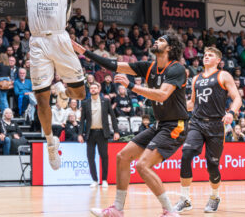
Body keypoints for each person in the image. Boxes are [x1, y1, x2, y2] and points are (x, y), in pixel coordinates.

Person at [73, 34, 187, 217]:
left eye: (161, 40)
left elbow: (162, 95)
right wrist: (84, 51)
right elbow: (112, 65)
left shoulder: (177, 69)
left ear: (169, 48)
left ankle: (170, 211)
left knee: (143, 166)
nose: (156, 41)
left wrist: (131, 85)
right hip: (160, 125)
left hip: (176, 125)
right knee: (122, 157)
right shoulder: (149, 66)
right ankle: (117, 209)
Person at [13, 0, 86, 169]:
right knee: (41, 98)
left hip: (60, 38)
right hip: (38, 42)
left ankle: (62, 89)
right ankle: (50, 142)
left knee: (79, 94)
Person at [174, 47, 242, 214]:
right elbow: (192, 104)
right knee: (186, 154)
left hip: (216, 125)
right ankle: (185, 199)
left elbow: (237, 98)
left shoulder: (223, 75)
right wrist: (176, 106)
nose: (206, 57)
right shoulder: (196, 78)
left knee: (212, 165)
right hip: (196, 123)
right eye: (205, 55)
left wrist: (231, 113)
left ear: (218, 60)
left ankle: (214, 196)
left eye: (210, 55)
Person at [78, 82, 120, 188]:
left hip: (102, 133)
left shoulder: (105, 101)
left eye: (95, 88)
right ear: (89, 90)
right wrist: (80, 134)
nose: (93, 89)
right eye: (91, 88)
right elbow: (82, 120)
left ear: (99, 89)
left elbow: (113, 116)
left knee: (104, 156)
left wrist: (116, 131)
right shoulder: (85, 102)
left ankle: (104, 180)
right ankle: (95, 180)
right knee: (90, 157)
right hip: (90, 133)